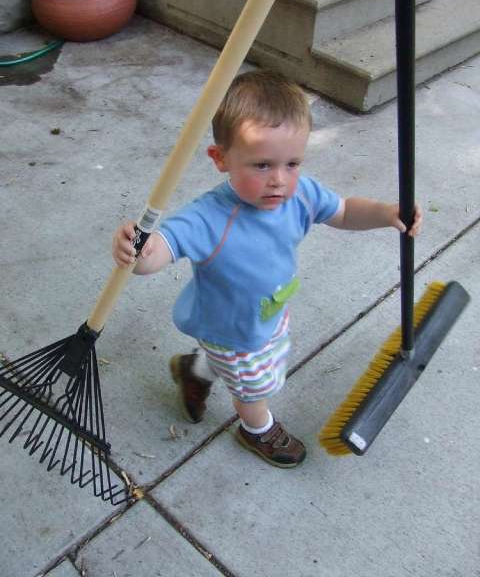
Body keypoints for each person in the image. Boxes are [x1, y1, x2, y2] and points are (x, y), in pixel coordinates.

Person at [112, 70, 423, 468]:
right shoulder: (209, 218)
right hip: (233, 330)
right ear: (220, 158)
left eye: (292, 163)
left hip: (269, 311)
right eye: (261, 165)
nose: (279, 179)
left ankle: (194, 370)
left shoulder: (300, 195)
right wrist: (137, 248)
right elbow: (159, 251)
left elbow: (343, 211)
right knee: (254, 386)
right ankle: (257, 430)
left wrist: (386, 213)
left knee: (257, 363)